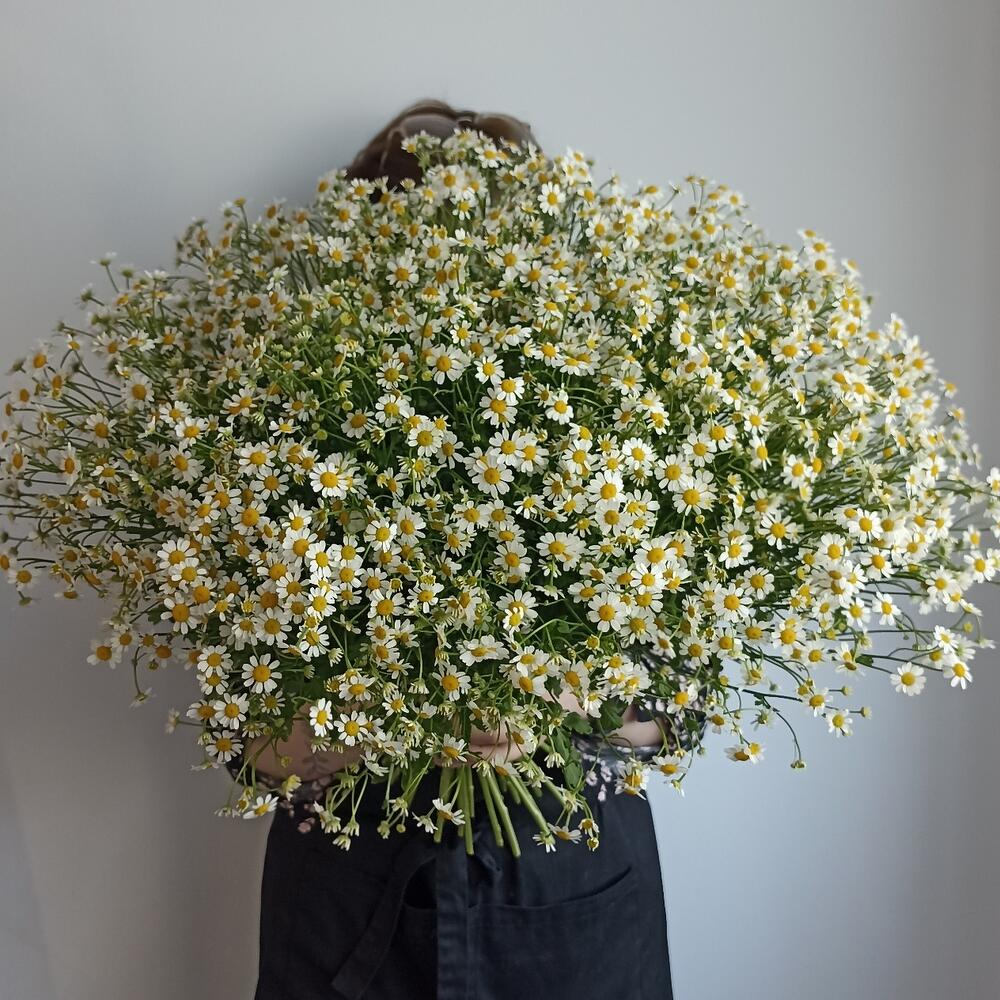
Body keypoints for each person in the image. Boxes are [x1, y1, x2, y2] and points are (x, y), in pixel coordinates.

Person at [225, 100, 700, 1000]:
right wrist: (390, 719)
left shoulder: (626, 423)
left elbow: (681, 709)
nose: (447, 268)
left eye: (480, 236)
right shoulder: (274, 438)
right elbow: (245, 741)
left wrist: (555, 702)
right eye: (413, 241)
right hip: (349, 906)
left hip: (572, 900)